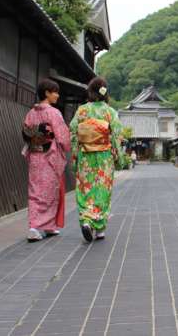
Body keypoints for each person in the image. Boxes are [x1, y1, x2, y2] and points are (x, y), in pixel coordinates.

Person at [70, 77, 122, 242]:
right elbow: (116, 136)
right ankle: (99, 228)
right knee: (102, 190)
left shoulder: (82, 111)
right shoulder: (110, 112)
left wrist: (75, 156)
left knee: (86, 189)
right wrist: (118, 157)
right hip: (104, 157)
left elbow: (73, 132)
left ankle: (86, 220)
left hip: (86, 156)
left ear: (90, 92)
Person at [22, 78, 70, 242]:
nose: (57, 95)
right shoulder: (53, 113)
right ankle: (35, 227)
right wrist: (66, 146)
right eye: (55, 92)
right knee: (48, 190)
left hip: (35, 154)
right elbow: (63, 136)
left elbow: (27, 133)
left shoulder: (31, 112)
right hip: (49, 156)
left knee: (36, 190)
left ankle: (47, 225)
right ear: (47, 93)